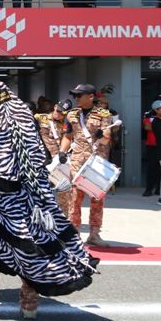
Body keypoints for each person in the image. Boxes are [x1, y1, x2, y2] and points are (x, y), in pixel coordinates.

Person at [0, 72, 99, 321]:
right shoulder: (20, 115)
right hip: (35, 201)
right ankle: (29, 306)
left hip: (3, 204)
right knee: (32, 248)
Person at [63, 83, 114, 245]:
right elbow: (67, 135)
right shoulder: (71, 114)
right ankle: (74, 234)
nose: (75, 98)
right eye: (75, 95)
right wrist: (62, 153)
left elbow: (107, 136)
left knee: (97, 199)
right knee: (74, 199)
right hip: (77, 162)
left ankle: (94, 234)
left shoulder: (103, 114)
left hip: (96, 163)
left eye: (79, 95)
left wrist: (102, 134)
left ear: (90, 96)